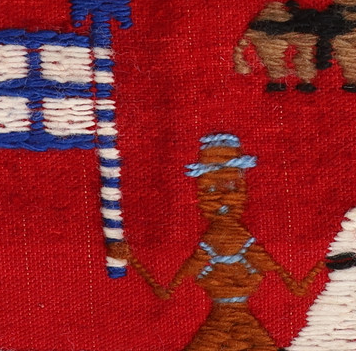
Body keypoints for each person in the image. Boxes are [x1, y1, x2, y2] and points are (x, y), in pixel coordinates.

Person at [108, 134, 323, 351]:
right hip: (239, 330)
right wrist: (325, 262)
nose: (222, 199)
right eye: (210, 190)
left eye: (231, 188)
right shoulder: (229, 245)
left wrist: (131, 259)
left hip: (224, 329)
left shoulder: (224, 245)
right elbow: (297, 288)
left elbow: (165, 291)